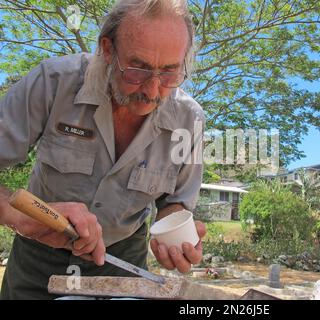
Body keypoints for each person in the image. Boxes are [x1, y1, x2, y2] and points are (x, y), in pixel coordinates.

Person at [0, 0, 206, 299]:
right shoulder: (53, 83)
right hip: (36, 260)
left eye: (170, 73)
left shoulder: (190, 120)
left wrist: (171, 231)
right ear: (107, 50)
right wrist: (19, 217)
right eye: (138, 69)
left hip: (122, 264)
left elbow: (175, 202)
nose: (151, 91)